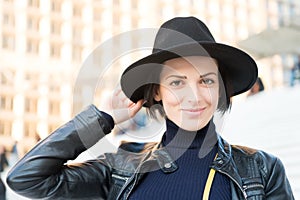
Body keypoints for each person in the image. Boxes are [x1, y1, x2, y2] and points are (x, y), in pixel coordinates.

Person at [6, 16, 294, 199]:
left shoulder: (262, 171)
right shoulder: (122, 167)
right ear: (156, 91)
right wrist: (102, 119)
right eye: (177, 83)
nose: (194, 97)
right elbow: (27, 178)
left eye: (205, 80)